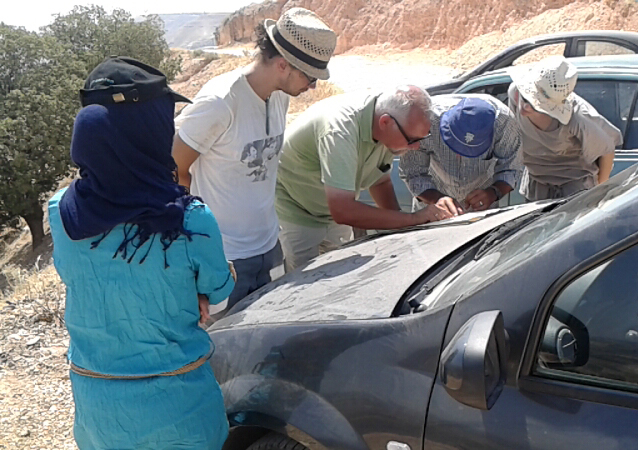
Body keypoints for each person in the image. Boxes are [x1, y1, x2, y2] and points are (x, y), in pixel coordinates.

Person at [49, 57, 235, 449]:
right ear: (148, 133)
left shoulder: (61, 212)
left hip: (99, 412)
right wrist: (196, 291)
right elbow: (217, 297)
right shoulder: (191, 221)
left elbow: (79, 277)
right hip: (181, 411)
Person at [172, 8, 337, 309]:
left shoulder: (281, 95)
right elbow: (174, 169)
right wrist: (194, 253)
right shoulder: (220, 103)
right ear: (284, 65)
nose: (312, 86)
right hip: (223, 258)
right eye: (310, 76)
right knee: (225, 346)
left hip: (269, 248)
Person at [276, 85, 457, 272]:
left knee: (341, 275)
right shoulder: (340, 131)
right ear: (385, 122)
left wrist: (402, 233)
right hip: (297, 209)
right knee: (306, 285)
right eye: (412, 140)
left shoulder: (386, 124)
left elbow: (380, 181)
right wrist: (414, 218)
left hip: (332, 212)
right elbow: (342, 210)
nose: (416, 147)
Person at [508, 55, 623, 201]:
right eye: (525, 98)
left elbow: (607, 150)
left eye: (536, 106)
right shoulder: (514, 93)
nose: (525, 107)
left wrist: (599, 190)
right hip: (536, 186)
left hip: (575, 190)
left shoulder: (578, 118)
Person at [399, 95, 522, 212]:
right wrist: (438, 199)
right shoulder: (426, 120)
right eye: (455, 146)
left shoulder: (505, 124)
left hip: (482, 211)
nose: (460, 155)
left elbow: (511, 169)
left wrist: (493, 192)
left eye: (471, 151)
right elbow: (413, 173)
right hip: (432, 207)